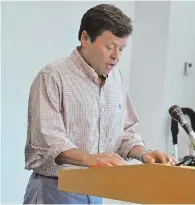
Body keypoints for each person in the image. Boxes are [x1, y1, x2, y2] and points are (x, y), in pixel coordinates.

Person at [23, 3, 176, 204]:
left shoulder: (116, 80)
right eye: (109, 47)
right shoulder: (53, 76)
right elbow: (47, 140)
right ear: (85, 38)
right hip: (55, 190)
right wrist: (89, 158)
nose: (116, 56)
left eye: (121, 49)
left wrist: (144, 154)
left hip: (96, 191)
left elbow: (124, 133)